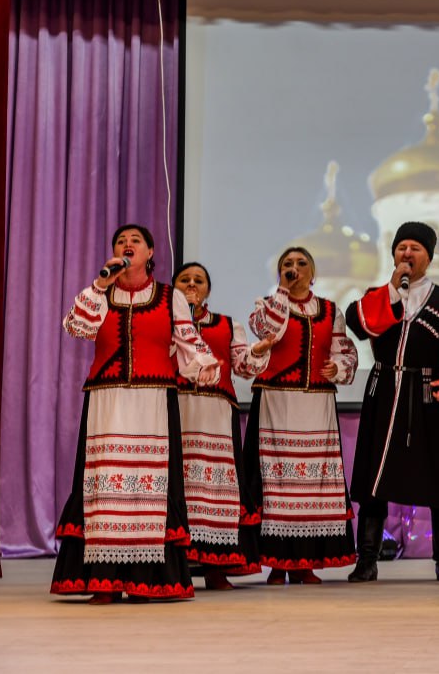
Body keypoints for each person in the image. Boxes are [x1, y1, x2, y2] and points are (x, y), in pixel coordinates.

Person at [53, 224, 220, 604]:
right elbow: (76, 326)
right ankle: (105, 581)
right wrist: (99, 285)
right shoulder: (100, 293)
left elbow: (188, 339)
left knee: (150, 488)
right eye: (121, 241)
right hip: (108, 400)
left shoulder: (170, 297)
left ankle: (146, 580)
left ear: (150, 252)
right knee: (105, 485)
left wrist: (205, 365)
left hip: (153, 401)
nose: (127, 245)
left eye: (135, 241)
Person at [343, 222, 439, 583]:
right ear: (393, 256)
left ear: (428, 258)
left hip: (428, 394)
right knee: (374, 478)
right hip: (384, 392)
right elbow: (357, 325)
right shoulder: (377, 295)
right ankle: (367, 558)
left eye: (415, 248)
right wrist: (392, 290)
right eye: (402, 247)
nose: (407, 253)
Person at [246, 246, 359, 584]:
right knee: (277, 484)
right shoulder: (266, 306)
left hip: (316, 405)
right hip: (277, 403)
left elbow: (345, 350)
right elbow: (268, 331)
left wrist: (337, 366)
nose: (294, 267)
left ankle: (305, 563)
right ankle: (277, 563)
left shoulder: (330, 310)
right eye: (287, 264)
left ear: (313, 272)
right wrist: (282, 291)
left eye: (301, 263)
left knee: (313, 486)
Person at [171, 262, 272, 590]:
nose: (191, 284)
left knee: (215, 489)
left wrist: (257, 351)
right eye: (184, 279)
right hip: (176, 409)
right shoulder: (164, 323)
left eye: (198, 280)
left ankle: (216, 567)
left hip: (215, 414)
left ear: (208, 290)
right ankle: (176, 565)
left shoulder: (228, 325)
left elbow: (243, 366)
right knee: (178, 485)